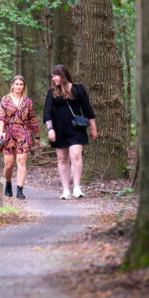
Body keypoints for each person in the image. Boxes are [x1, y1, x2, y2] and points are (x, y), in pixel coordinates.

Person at [43, 64, 97, 199]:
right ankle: (66, 190)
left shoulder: (78, 89)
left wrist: (93, 129)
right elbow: (47, 113)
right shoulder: (52, 92)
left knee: (76, 155)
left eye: (55, 76)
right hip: (59, 129)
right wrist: (50, 129)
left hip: (76, 128)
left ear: (62, 75)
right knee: (62, 159)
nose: (53, 79)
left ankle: (77, 188)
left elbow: (87, 109)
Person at [0, 75, 39, 200]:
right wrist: (0, 133)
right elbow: (1, 118)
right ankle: (8, 184)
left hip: (23, 132)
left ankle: (20, 189)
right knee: (9, 164)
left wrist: (36, 135)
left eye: (21, 84)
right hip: (8, 132)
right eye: (17, 84)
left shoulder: (27, 101)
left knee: (21, 161)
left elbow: (32, 119)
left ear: (23, 86)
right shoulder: (5, 100)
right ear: (12, 85)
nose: (19, 86)